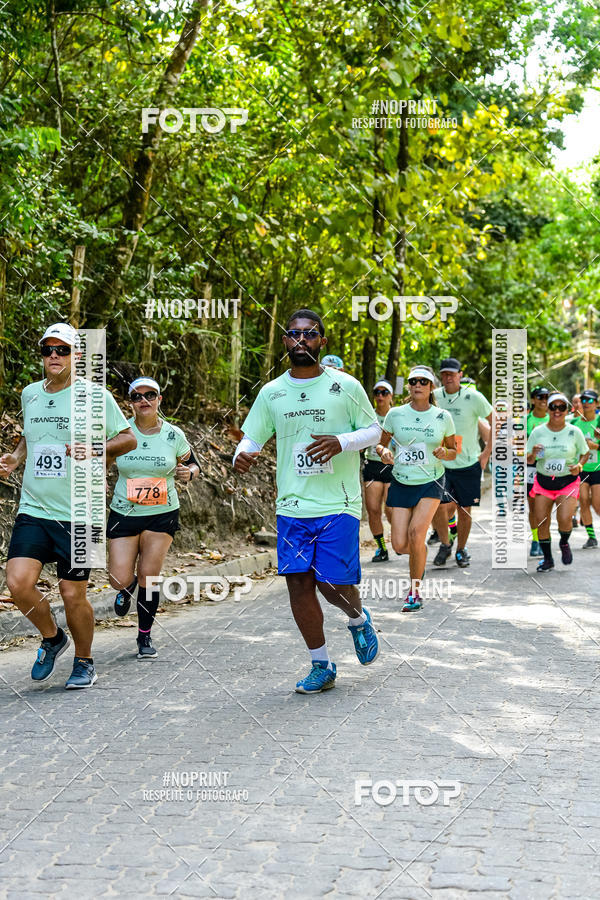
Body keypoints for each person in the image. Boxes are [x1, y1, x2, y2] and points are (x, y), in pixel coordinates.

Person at [233, 309, 381, 694]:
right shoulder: (272, 393)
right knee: (299, 584)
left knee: (332, 584)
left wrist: (341, 442)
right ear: (285, 341)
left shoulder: (345, 386)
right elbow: (252, 437)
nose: (301, 341)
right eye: (295, 334)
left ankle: (358, 618)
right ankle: (321, 664)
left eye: (310, 335)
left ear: (322, 342)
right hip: (293, 506)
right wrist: (241, 455)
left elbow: (374, 431)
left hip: (339, 502)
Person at [0, 323, 136, 688]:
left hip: (83, 512)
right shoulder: (30, 394)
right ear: (43, 355)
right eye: (49, 350)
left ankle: (84, 660)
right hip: (35, 507)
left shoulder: (96, 397)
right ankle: (52, 637)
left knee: (72, 592)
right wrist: (15, 457)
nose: (55, 356)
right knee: (17, 582)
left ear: (77, 355)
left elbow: (128, 439)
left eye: (63, 350)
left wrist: (94, 450)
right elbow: (29, 436)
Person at [107, 377, 199, 659]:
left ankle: (144, 637)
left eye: (150, 395)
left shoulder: (173, 435)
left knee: (150, 575)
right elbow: (101, 459)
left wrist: (189, 473)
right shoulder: (121, 433)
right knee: (117, 577)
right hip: (125, 510)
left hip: (162, 513)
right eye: (137, 396)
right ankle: (127, 587)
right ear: (130, 402)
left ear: (160, 400)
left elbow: (193, 463)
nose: (144, 400)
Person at [376, 366, 456, 611]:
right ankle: (419, 559)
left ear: (431, 387)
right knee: (400, 545)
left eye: (423, 381)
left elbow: (454, 451)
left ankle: (415, 592)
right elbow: (380, 445)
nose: (418, 385)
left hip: (431, 480)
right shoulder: (395, 414)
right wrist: (385, 452)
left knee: (416, 533)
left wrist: (445, 452)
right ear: (409, 386)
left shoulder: (443, 417)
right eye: (413, 381)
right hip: (401, 480)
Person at [431, 358, 492, 568]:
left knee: (465, 510)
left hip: (468, 464)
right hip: (441, 465)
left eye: (452, 374)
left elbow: (496, 422)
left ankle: (461, 549)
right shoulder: (434, 396)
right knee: (439, 507)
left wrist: (486, 454)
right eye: (444, 374)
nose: (448, 378)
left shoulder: (473, 397)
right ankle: (446, 544)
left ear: (459, 374)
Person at [527, 392, 589, 571]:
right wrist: (533, 454)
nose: (557, 411)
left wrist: (579, 465)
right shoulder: (538, 432)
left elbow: (585, 452)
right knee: (541, 521)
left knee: (564, 520)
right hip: (543, 482)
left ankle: (563, 542)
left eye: (561, 407)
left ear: (567, 409)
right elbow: (528, 459)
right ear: (548, 408)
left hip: (567, 482)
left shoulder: (573, 431)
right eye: (553, 407)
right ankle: (548, 559)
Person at [363, 379, 394, 562]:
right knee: (373, 510)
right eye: (377, 393)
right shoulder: (368, 416)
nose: (380, 396)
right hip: (372, 464)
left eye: (384, 392)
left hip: (392, 466)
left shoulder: (397, 415)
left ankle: (400, 539)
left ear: (391, 396)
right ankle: (382, 549)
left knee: (390, 510)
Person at [571, 388, 600, 548]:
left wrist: (596, 445)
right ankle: (591, 537)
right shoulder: (575, 423)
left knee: (597, 504)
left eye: (590, 400)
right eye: (584, 400)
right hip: (581, 469)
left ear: (596, 403)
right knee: (582, 500)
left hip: (598, 469)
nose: (586, 403)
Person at [526, 387, 550, 556]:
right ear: (533, 400)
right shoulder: (525, 420)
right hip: (530, 467)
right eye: (540, 397)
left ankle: (544, 538)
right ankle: (536, 540)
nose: (544, 400)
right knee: (534, 507)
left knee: (546, 508)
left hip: (551, 467)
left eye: (547, 397)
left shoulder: (555, 418)